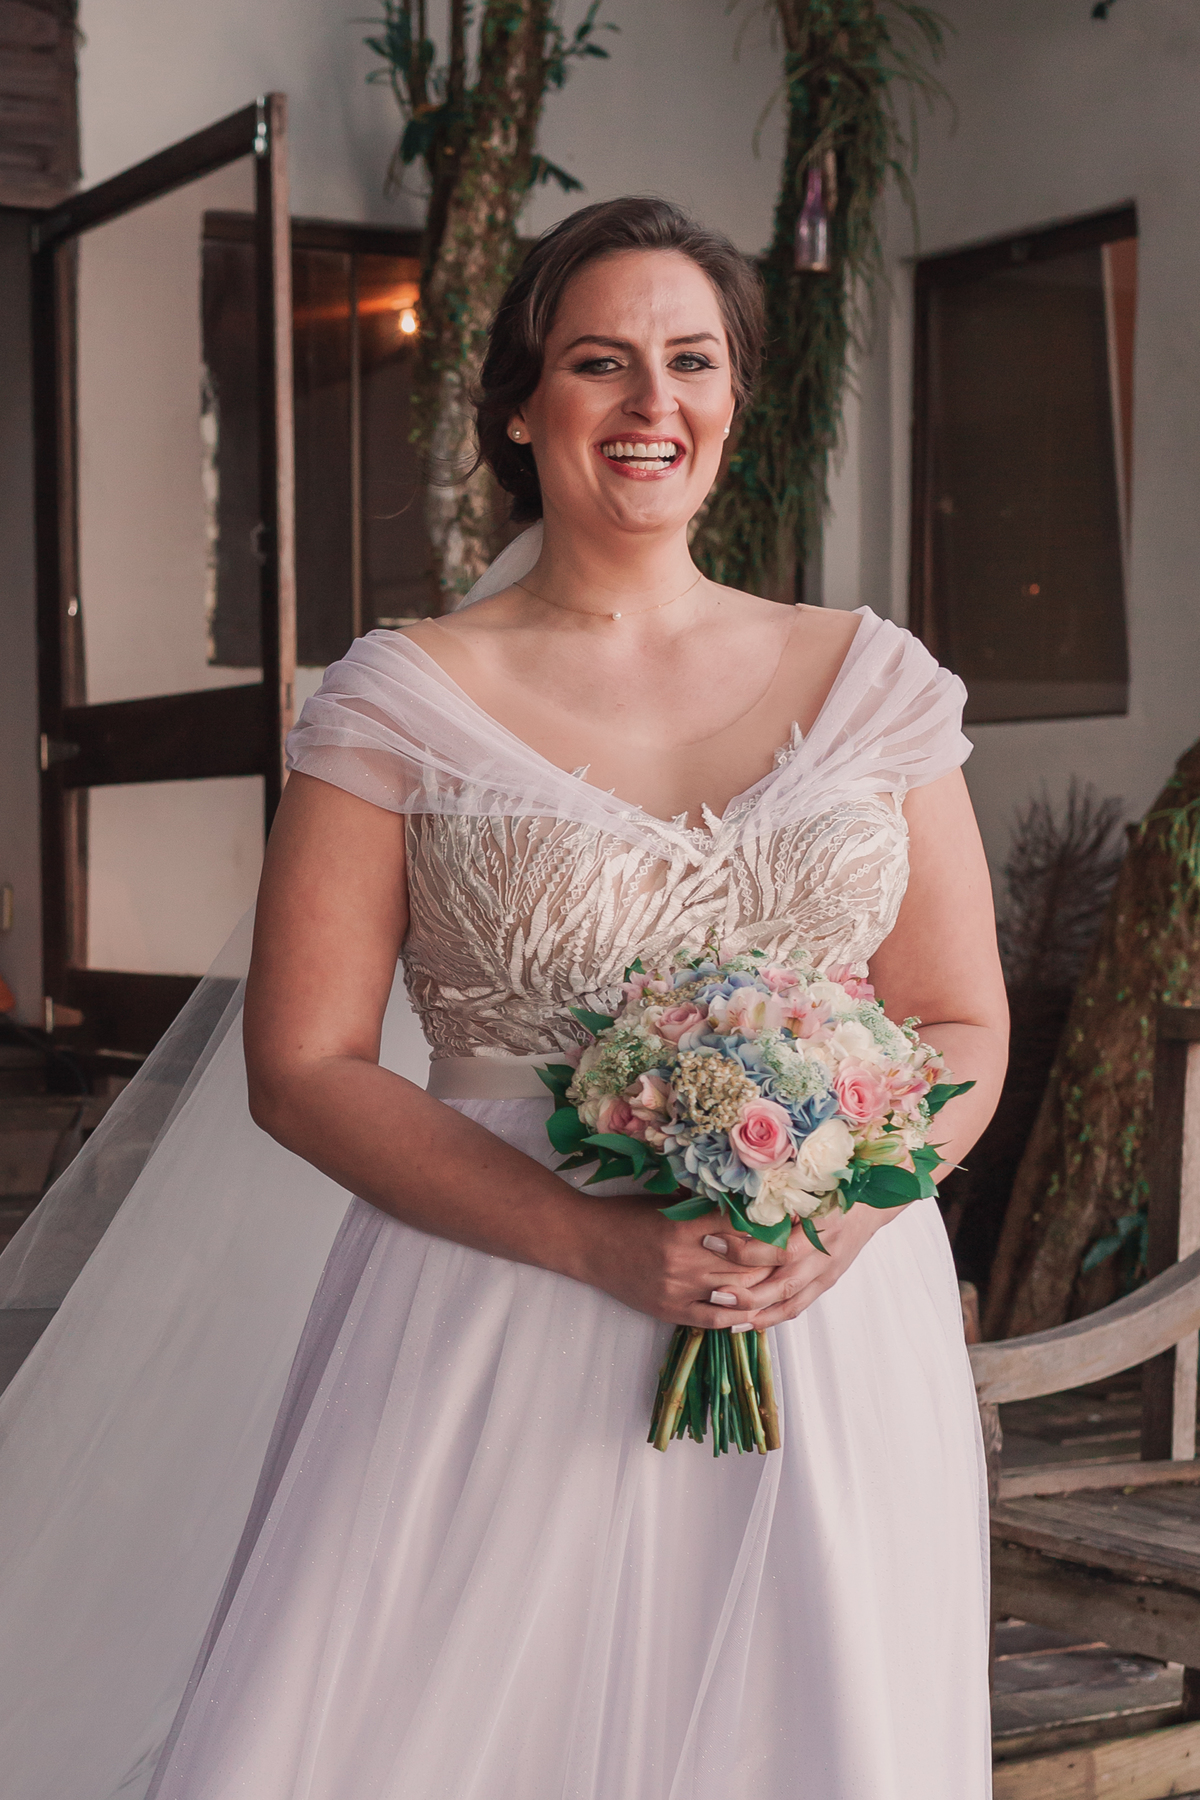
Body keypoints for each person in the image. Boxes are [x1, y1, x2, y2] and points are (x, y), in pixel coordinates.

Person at [2, 198, 1007, 1800]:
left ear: (736, 396)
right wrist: (597, 1242)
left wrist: (842, 1221)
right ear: (522, 406)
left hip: (820, 1322)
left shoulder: (874, 682)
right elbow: (303, 1063)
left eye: (691, 361)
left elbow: (959, 1020)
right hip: (493, 1309)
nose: (651, 402)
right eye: (600, 362)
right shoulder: (402, 697)